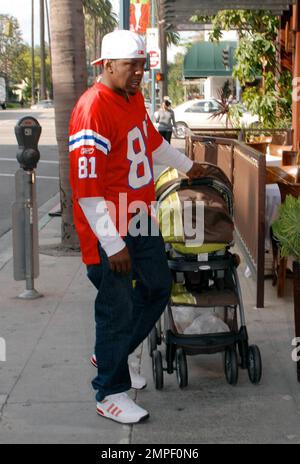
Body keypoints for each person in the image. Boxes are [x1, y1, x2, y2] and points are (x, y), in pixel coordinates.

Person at [69, 29, 204, 425]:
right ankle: (109, 391)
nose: (139, 73)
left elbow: (151, 144)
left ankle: (113, 354)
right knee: (116, 307)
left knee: (158, 286)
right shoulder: (92, 108)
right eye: (132, 66)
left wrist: (189, 166)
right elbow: (87, 189)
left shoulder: (133, 99)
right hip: (108, 225)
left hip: (139, 215)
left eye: (143, 66)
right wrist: (112, 244)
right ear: (107, 65)